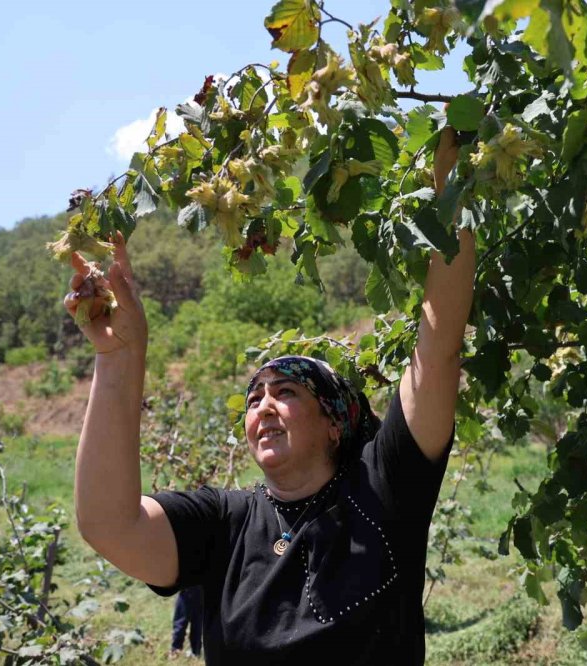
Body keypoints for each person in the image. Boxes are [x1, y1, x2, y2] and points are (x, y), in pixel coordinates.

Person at [65, 127, 475, 665]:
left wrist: (452, 194)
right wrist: (119, 357)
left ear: (333, 421)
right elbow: (107, 524)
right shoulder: (222, 524)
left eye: (285, 392)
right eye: (255, 396)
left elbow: (438, 347)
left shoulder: (385, 490)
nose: (262, 405)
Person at [170, 585, 204, 659]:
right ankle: (196, 651)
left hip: (188, 589)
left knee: (180, 622)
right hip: (201, 590)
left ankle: (175, 650)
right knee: (197, 624)